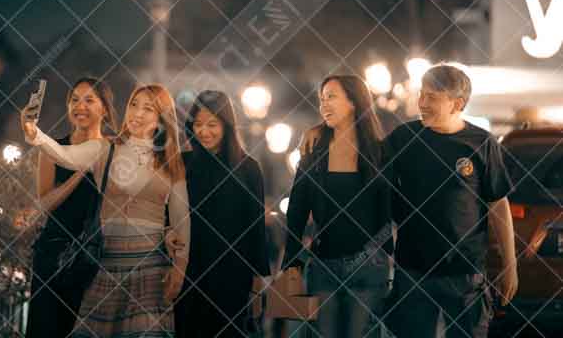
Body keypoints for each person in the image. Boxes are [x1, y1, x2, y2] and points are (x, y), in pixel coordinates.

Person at [22, 84, 190, 338]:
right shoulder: (105, 148)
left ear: (161, 119)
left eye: (148, 108)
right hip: (107, 263)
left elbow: (181, 218)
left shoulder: (171, 162)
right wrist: (34, 132)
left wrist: (180, 267)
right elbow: (64, 155)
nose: (137, 113)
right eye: (134, 105)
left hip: (151, 267)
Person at [385, 64, 517, 338]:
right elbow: (364, 160)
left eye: (432, 97)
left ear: (457, 104)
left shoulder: (481, 143)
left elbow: (498, 205)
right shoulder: (403, 138)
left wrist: (510, 266)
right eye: (421, 94)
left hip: (466, 274)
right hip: (413, 271)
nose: (422, 103)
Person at [283, 75, 394, 338]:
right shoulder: (314, 150)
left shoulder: (380, 152)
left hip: (368, 267)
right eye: (321, 99)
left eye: (331, 97)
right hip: (324, 265)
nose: (323, 105)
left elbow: (390, 211)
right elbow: (297, 208)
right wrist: (291, 262)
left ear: (354, 102)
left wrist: (382, 253)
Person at [169, 90, 270, 338]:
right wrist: (167, 232)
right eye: (198, 124)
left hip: (233, 276)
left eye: (212, 124)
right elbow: (166, 211)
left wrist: (259, 280)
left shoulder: (248, 168)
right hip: (189, 272)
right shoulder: (182, 163)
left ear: (227, 126)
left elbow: (256, 228)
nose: (204, 131)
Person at [26, 77, 118, 338]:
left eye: (89, 100)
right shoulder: (52, 148)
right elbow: (45, 203)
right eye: (75, 100)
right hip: (54, 252)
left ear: (105, 108)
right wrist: (79, 173)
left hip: (95, 256)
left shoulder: (112, 150)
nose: (80, 106)